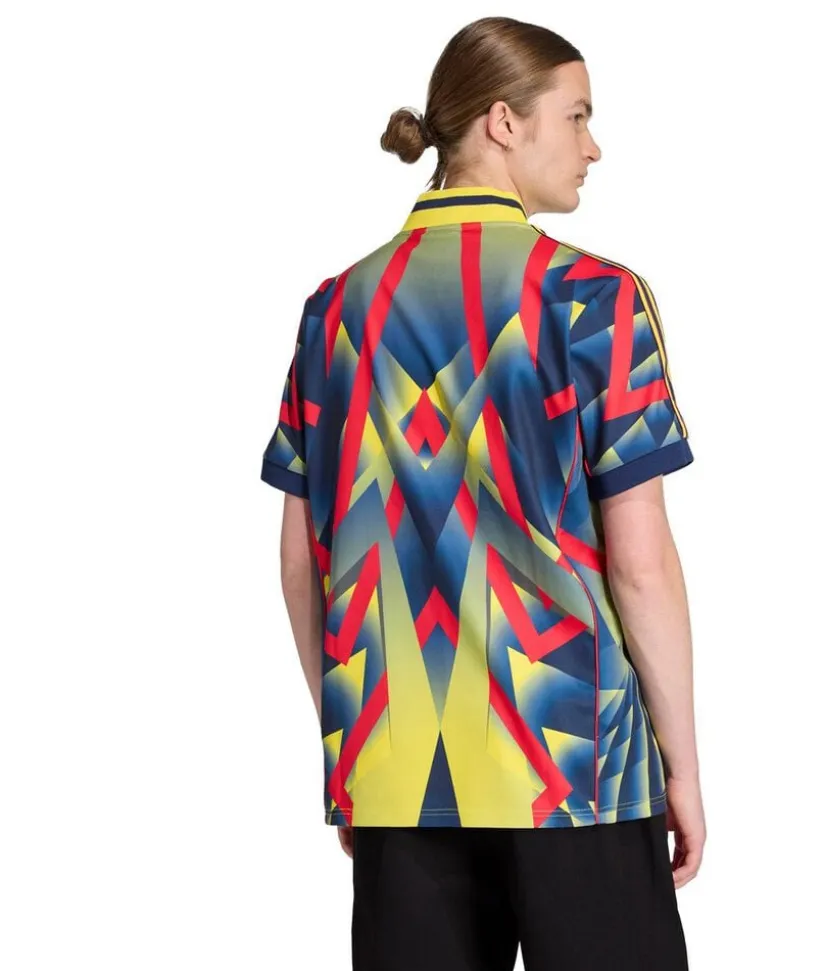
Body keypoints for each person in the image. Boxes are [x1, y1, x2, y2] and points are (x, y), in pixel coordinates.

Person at [259, 15, 706, 971]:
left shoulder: (334, 309)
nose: (593, 146)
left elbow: (302, 562)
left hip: (395, 769)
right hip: (578, 764)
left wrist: (353, 748)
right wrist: (682, 765)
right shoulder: (594, 301)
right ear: (504, 122)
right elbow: (640, 564)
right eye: (577, 115)